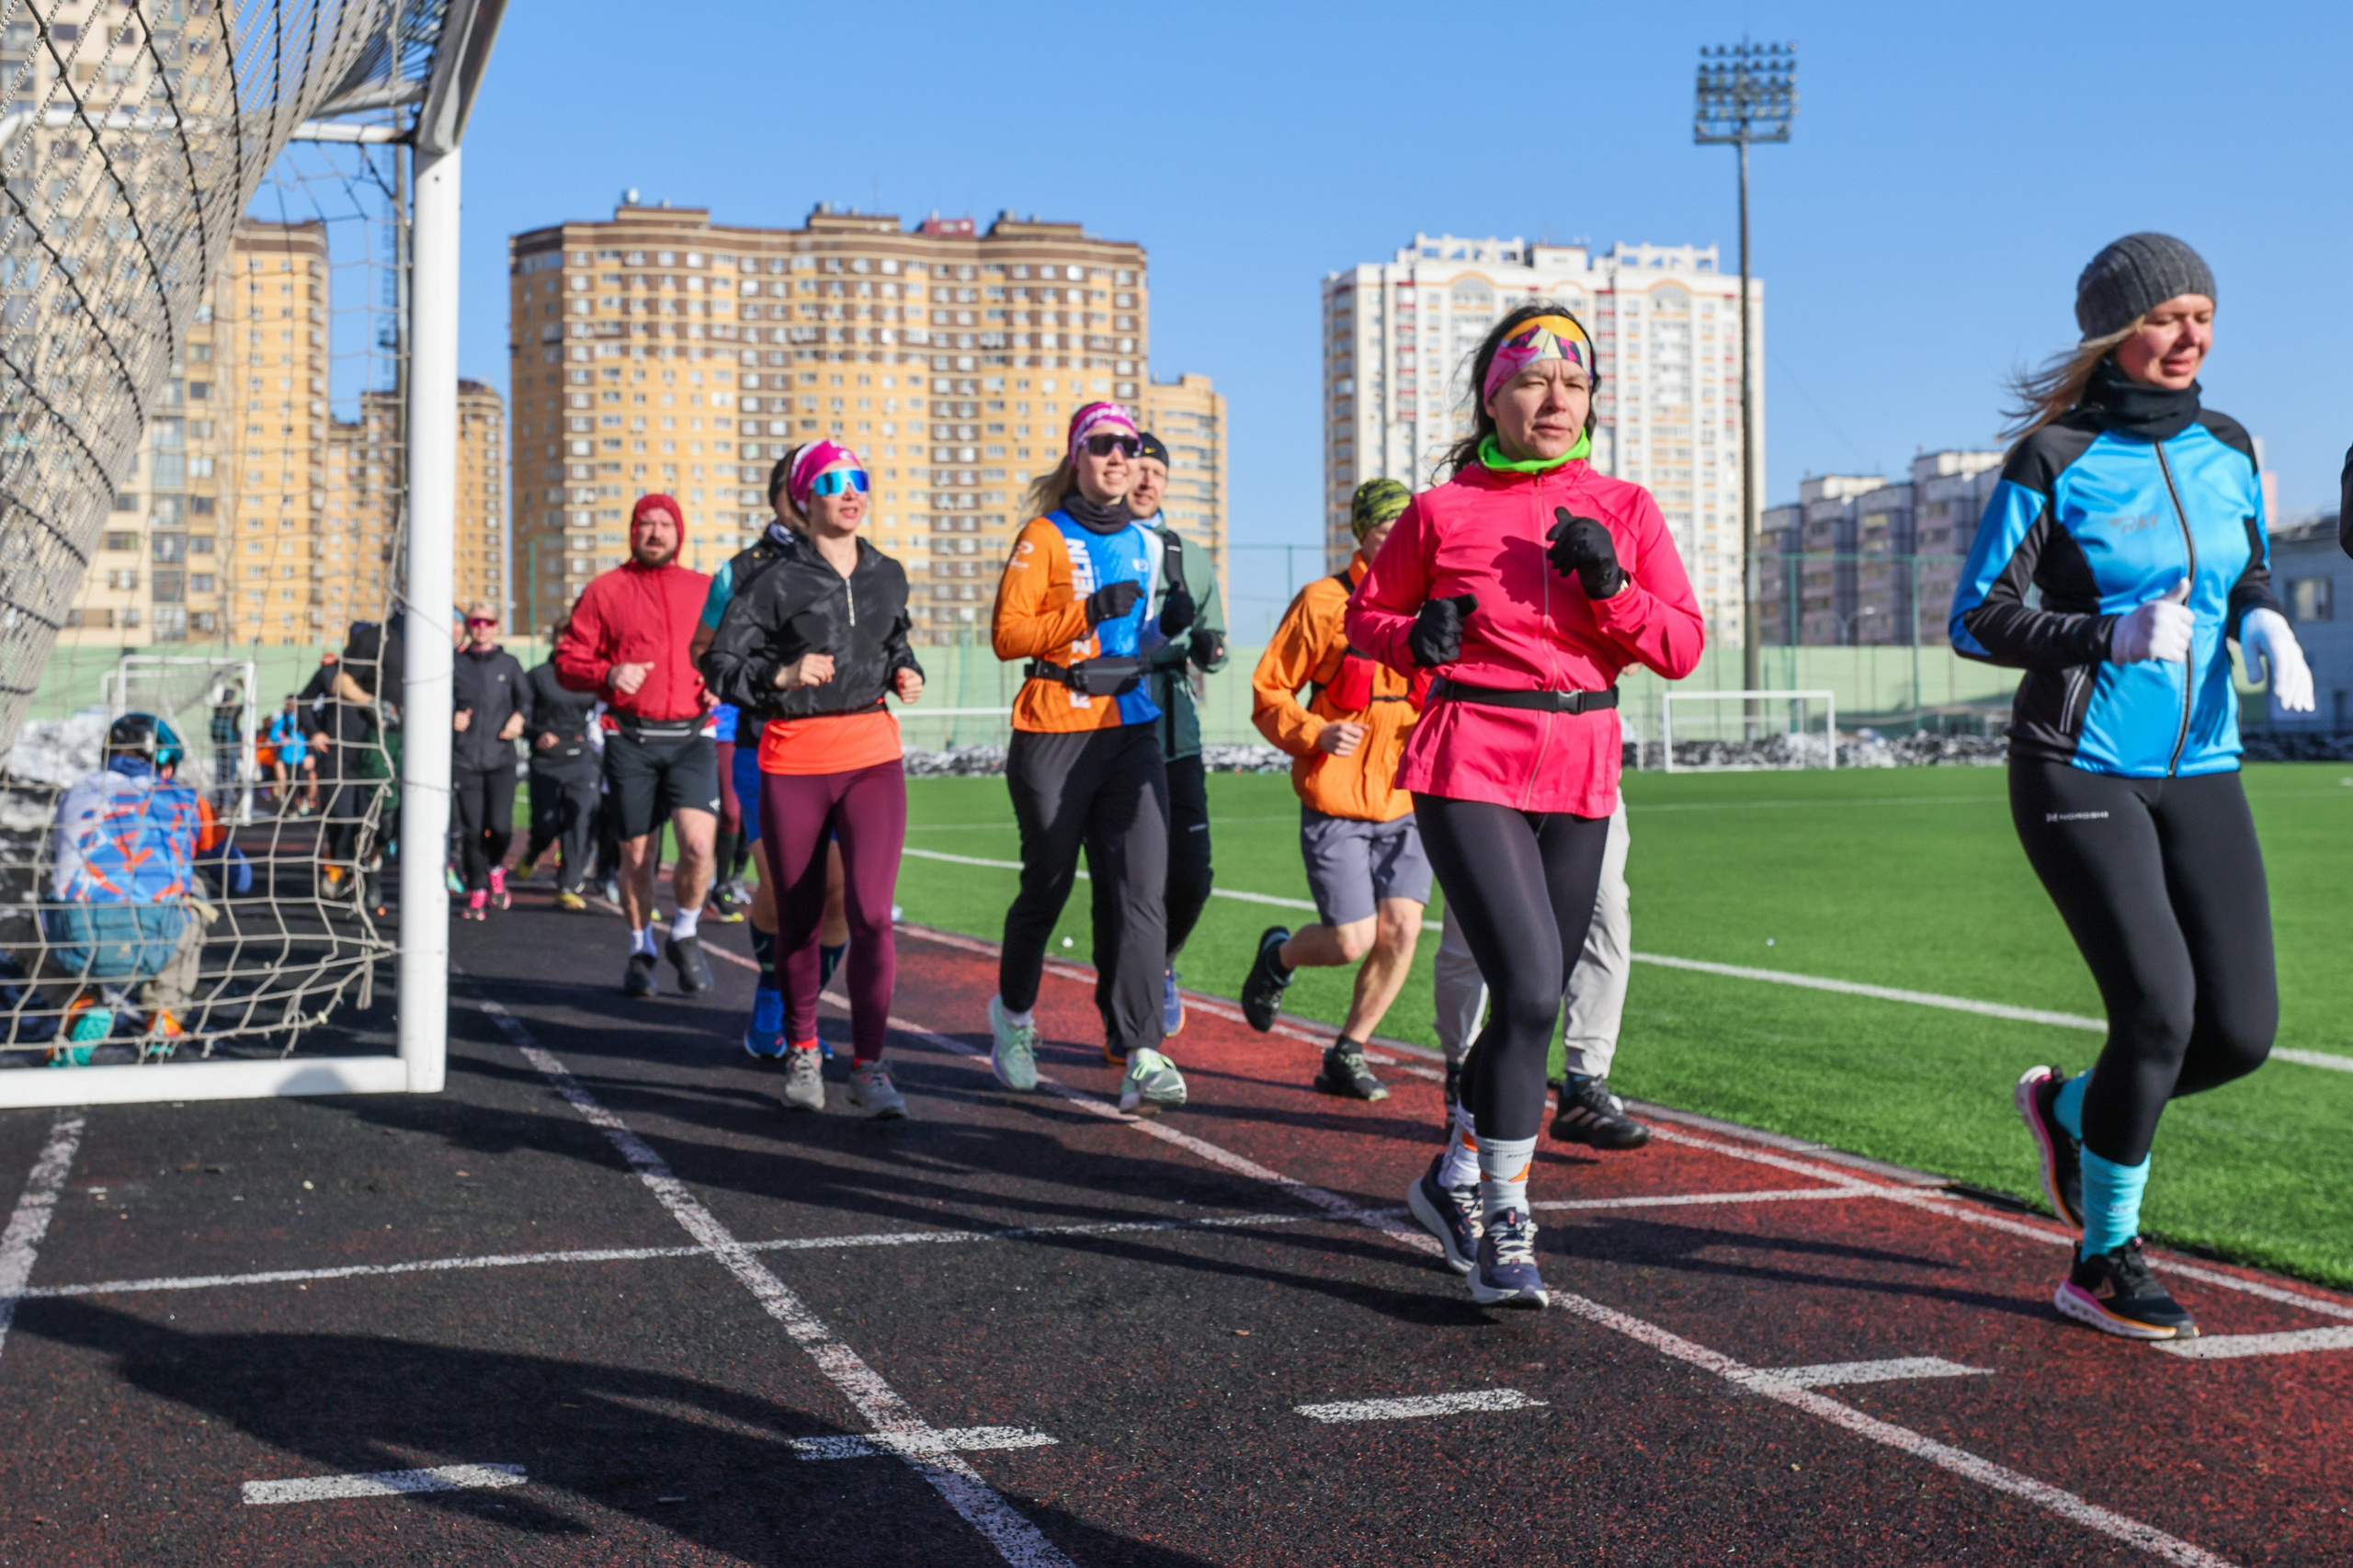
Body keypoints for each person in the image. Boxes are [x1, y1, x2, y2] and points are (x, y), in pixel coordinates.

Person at [1953, 234, 2310, 1342]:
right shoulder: (2053, 455)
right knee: (2155, 1012)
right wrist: (2104, 632)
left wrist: (2265, 616)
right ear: (2116, 331)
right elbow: (1976, 617)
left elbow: (2242, 560)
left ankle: (2068, 1108)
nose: (2189, 335)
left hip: (2201, 764)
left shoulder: (2228, 444)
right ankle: (2102, 1255)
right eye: (2166, 316)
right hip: (2075, 764)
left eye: (2201, 313)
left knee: (2239, 1031)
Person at [1347, 305, 1705, 1309]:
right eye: (1533, 380)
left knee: (1526, 995)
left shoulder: (1626, 507)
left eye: (1575, 383)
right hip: (1469, 754)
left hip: (1583, 761)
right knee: (1535, 986)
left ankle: (1452, 1168)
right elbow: (1366, 619)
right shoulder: (1437, 511)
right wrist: (1418, 633)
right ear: (1490, 397)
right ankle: (1506, 1217)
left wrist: (1609, 583)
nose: (1556, 400)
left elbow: (1678, 646)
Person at [703, 440, 922, 1119]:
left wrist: (904, 669)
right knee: (797, 917)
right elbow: (717, 666)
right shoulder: (770, 580)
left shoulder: (888, 572)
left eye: (859, 480)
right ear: (804, 498)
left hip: (872, 755)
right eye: (832, 482)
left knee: (869, 915)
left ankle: (870, 1066)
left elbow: (894, 638)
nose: (850, 492)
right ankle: (802, 1047)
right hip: (794, 758)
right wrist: (780, 675)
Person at [985, 402, 1191, 1114]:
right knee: (1047, 886)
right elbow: (1008, 636)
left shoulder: (1146, 542)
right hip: (1052, 727)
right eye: (1102, 445)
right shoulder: (1042, 537)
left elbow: (1133, 646)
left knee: (1142, 888)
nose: (1118, 457)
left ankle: (1142, 1050)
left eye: (1128, 447)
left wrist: (1171, 630)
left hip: (1130, 725)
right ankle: (1012, 1020)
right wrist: (1091, 608)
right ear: (1077, 456)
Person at [1238, 478, 1427, 1101]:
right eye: (1386, 528)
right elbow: (1269, 691)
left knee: (1401, 929)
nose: (1399, 539)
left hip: (1408, 799)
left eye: (1408, 527)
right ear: (1362, 533)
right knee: (1352, 940)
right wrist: (1315, 732)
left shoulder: (1432, 601)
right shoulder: (1323, 602)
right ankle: (1279, 958)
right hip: (1336, 800)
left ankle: (1349, 1051)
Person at [691, 449, 854, 1062]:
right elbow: (703, 649)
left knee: (837, 894)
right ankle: (771, 990)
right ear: (789, 493)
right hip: (766, 745)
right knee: (787, 888)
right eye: (819, 483)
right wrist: (770, 676)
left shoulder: (854, 561)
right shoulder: (742, 571)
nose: (833, 494)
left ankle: (800, 1010)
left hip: (844, 746)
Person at [556, 493, 722, 998]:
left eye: (664, 525)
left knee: (698, 847)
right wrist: (608, 672)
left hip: (694, 737)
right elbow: (567, 659)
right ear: (632, 532)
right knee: (637, 859)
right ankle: (641, 946)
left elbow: (734, 649)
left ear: (679, 533)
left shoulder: (707, 589)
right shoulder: (605, 591)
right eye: (645, 525)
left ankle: (686, 933)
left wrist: (722, 678)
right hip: (631, 740)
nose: (655, 533)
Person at [1428, 798, 1650, 1150]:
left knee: (1604, 912)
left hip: (1581, 769)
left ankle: (1584, 1083)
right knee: (1472, 933)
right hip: (1483, 769)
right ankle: (1462, 1074)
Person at [42, 713, 225, 1062]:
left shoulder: (74, 793)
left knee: (41, 909)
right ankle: (165, 1011)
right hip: (157, 938)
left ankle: (78, 1002)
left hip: (81, 942)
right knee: (195, 887)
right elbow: (240, 877)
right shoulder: (187, 798)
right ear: (165, 763)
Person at [1129, 431, 1228, 1036]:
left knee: (1192, 875)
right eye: (1137, 469)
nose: (1146, 481)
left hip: (1175, 738)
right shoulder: (1096, 548)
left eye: (1156, 473)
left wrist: (1210, 648)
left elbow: (1211, 646)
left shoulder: (1189, 555)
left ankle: (1161, 963)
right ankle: (1127, 1017)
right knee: (1126, 880)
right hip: (1104, 732)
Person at [450, 603, 531, 921]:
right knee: (471, 832)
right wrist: (451, 716)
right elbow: (439, 701)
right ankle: (478, 889)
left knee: (498, 827)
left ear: (497, 626)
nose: (482, 627)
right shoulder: (456, 663)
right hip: (466, 759)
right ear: (469, 626)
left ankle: (496, 867)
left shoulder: (509, 664)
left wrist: (519, 718)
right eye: (476, 621)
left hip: (501, 760)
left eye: (488, 621)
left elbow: (527, 701)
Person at [520, 620, 601, 911]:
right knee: (546, 825)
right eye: (562, 637)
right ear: (553, 640)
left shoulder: (591, 677)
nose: (568, 642)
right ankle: (534, 851)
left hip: (582, 758)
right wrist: (536, 734)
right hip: (546, 760)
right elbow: (522, 716)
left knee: (579, 820)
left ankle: (568, 884)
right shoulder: (538, 677)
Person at [262, 696, 305, 812]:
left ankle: (302, 800)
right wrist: (282, 740)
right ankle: (288, 805)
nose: (291, 706)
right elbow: (273, 734)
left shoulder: (305, 718)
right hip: (287, 755)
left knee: (303, 780)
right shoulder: (283, 718)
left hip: (302, 755)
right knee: (286, 779)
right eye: (288, 704)